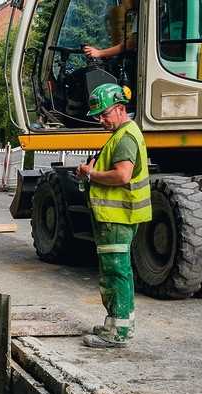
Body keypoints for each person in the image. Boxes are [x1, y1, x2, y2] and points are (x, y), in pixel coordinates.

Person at [75, 83, 152, 349]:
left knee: (115, 272)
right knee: (122, 271)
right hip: (119, 216)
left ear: (120, 109)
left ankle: (116, 333)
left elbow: (122, 175)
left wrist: (91, 174)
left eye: (104, 113)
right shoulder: (124, 133)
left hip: (116, 218)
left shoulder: (125, 137)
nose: (100, 119)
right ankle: (120, 324)